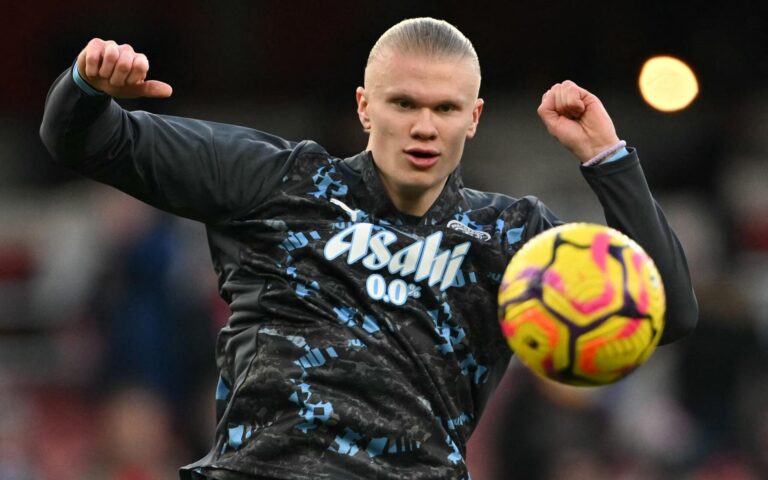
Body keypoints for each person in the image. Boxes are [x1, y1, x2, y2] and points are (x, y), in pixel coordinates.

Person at [40, 17, 698, 480]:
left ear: (473, 117)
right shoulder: (277, 181)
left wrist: (609, 159)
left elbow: (667, 314)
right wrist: (88, 85)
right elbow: (86, 140)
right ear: (364, 105)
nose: (422, 126)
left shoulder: (512, 238)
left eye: (445, 109)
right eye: (403, 102)